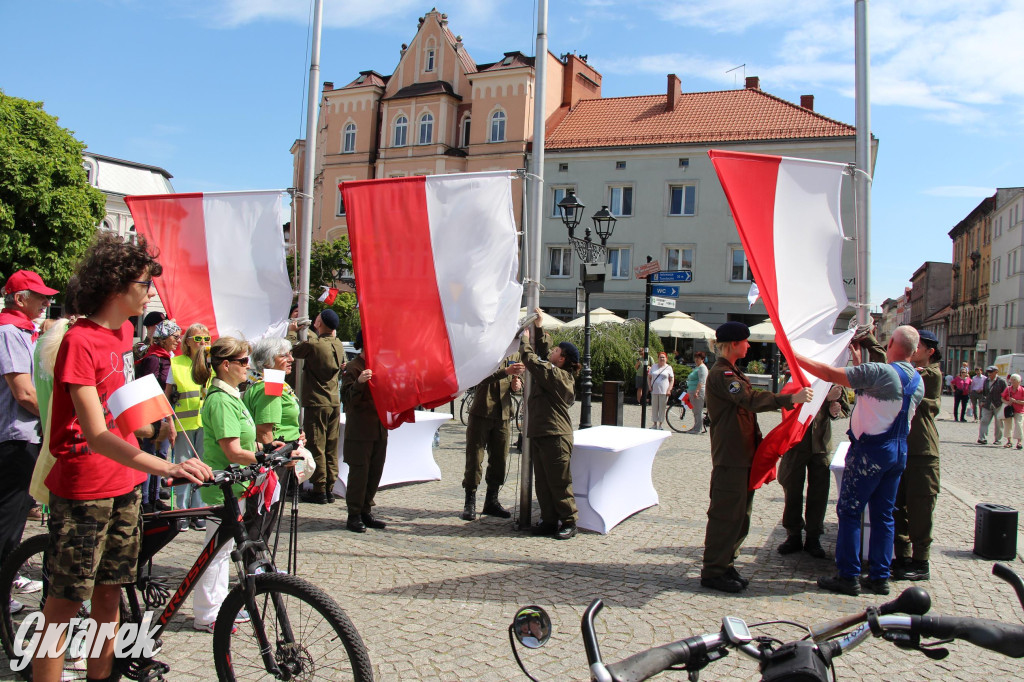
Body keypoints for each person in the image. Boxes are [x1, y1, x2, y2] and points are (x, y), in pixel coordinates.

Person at [35, 234, 211, 679]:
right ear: (115, 286)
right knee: (63, 605)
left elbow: (122, 406)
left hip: (125, 484)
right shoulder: (80, 341)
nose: (150, 290)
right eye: (143, 282)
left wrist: (159, 424)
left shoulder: (124, 332)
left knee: (110, 597)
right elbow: (95, 434)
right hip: (85, 487)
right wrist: (167, 465)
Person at [795, 325, 924, 597]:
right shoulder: (916, 379)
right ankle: (879, 577)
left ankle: (849, 575)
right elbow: (883, 397)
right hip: (898, 451)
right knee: (884, 516)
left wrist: (795, 356)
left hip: (871, 453)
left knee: (851, 511)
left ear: (890, 344)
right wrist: (858, 363)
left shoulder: (880, 372)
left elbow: (831, 375)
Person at [700, 321, 812, 593]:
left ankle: (726, 563)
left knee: (740, 515)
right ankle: (713, 570)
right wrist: (789, 399)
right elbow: (749, 399)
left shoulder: (732, 372)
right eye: (745, 341)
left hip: (742, 455)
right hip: (730, 457)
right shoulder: (722, 375)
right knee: (726, 515)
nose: (749, 345)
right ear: (734, 343)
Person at [189, 336, 264, 633]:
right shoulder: (220, 399)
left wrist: (268, 448)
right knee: (216, 551)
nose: (248, 367)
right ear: (225, 365)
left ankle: (217, 608)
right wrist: (262, 455)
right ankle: (208, 613)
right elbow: (232, 450)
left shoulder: (231, 394)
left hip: (234, 486)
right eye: (243, 362)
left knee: (223, 548)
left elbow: (245, 440)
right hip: (222, 485)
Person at [0, 270, 54, 614]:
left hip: (22, 436)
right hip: (16, 439)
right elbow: (24, 393)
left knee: (16, 516)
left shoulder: (21, 330)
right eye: (39, 296)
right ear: (20, 299)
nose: (46, 302)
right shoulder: (10, 331)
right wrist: (55, 419)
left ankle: (8, 577)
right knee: (9, 517)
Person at [520, 309, 581, 540]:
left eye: (557, 351)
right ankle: (548, 520)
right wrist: (539, 326)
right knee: (543, 483)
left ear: (562, 359)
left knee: (559, 481)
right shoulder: (555, 370)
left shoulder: (559, 376)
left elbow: (534, 361)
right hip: (541, 432)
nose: (552, 351)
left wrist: (523, 339)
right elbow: (544, 354)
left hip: (556, 435)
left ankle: (569, 521)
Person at [777, 384, 850, 559]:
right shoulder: (798, 375)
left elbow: (844, 409)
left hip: (821, 443)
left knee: (819, 492)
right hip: (796, 442)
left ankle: (813, 536)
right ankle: (793, 534)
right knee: (792, 488)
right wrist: (826, 398)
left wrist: (835, 410)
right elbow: (788, 403)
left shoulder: (833, 378)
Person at [892, 329, 942, 582]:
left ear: (929, 352)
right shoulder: (910, 371)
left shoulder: (930, 374)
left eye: (917, 347)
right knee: (897, 506)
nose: (913, 350)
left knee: (921, 507)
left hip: (923, 452)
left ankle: (921, 562)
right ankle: (901, 557)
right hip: (903, 448)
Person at [460, 354, 523, 521]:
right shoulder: (487, 349)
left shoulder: (515, 354)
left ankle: (491, 501)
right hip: (482, 411)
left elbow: (515, 383)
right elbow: (478, 379)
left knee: (499, 459)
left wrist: (516, 385)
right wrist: (505, 371)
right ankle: (470, 501)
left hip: (503, 414)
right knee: (474, 457)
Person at [292, 309, 345, 504]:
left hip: (316, 401)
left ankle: (319, 489)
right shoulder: (338, 345)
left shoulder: (314, 345)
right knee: (331, 445)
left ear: (320, 322)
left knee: (317, 445)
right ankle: (330, 486)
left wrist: (292, 331)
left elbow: (292, 349)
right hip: (333, 401)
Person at [340, 330, 388, 533]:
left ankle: (366, 510)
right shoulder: (352, 368)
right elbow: (347, 402)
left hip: (379, 429)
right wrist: (359, 383)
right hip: (360, 431)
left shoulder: (381, 367)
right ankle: (354, 514)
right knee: (359, 474)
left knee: (375, 472)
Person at [166, 323, 211, 528]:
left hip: (206, 423)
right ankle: (181, 511)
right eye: (198, 339)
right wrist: (169, 423)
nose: (202, 343)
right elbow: (166, 396)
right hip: (183, 423)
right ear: (187, 342)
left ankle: (198, 510)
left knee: (203, 466)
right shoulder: (176, 363)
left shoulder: (212, 364)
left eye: (206, 339)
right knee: (184, 467)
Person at [136, 318, 180, 513]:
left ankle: (154, 497)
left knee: (161, 455)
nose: (178, 340)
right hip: (151, 414)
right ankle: (145, 500)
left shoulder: (167, 357)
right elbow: (149, 387)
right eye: (175, 336)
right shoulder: (153, 358)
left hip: (163, 412)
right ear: (163, 338)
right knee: (149, 455)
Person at [978, 365, 1006, 445]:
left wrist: (1003, 402)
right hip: (987, 404)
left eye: (991, 372)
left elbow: (1005, 393)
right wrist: (983, 401)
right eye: (988, 372)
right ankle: (982, 438)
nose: (989, 373)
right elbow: (984, 393)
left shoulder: (1001, 381)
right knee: (984, 420)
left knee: (998, 423)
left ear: (996, 372)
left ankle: (998, 439)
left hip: (998, 405)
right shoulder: (986, 381)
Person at [648, 352, 674, 430]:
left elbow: (672, 379)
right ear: (658, 358)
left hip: (664, 391)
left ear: (666, 359)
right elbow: (649, 377)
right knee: (654, 407)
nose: (662, 359)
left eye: (663, 357)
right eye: (660, 357)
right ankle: (654, 424)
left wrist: (669, 389)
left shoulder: (669, 368)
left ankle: (661, 424)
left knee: (662, 408)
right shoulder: (654, 366)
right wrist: (649, 386)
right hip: (654, 390)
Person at [686, 351, 709, 434]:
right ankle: (696, 426)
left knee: (698, 410)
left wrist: (697, 391)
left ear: (702, 359)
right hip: (692, 390)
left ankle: (697, 429)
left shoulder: (702, 368)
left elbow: (702, 381)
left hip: (698, 391)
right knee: (695, 410)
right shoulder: (697, 367)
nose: (696, 359)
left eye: (698, 358)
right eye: (695, 358)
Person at [1001, 373, 1024, 449]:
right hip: (1009, 409)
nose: (1012, 381)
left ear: (1019, 381)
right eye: (1012, 380)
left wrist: (1016, 401)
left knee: (1019, 425)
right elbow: (1002, 398)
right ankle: (1009, 441)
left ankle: (1019, 442)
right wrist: (1007, 402)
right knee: (1008, 425)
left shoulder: (1022, 390)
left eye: (1014, 380)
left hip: (1019, 410)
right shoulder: (1008, 389)